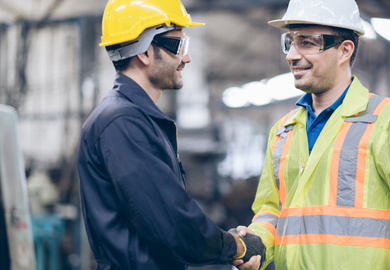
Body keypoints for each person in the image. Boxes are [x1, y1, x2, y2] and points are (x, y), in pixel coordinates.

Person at [232, 0, 390, 269]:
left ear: (345, 50)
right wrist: (256, 243)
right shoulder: (283, 130)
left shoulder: (389, 120)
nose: (292, 55)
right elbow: (271, 210)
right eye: (290, 42)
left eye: (307, 42)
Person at [76, 0, 260, 269]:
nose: (187, 58)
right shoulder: (122, 121)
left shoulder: (136, 118)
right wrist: (237, 246)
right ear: (145, 52)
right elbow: (173, 225)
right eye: (179, 46)